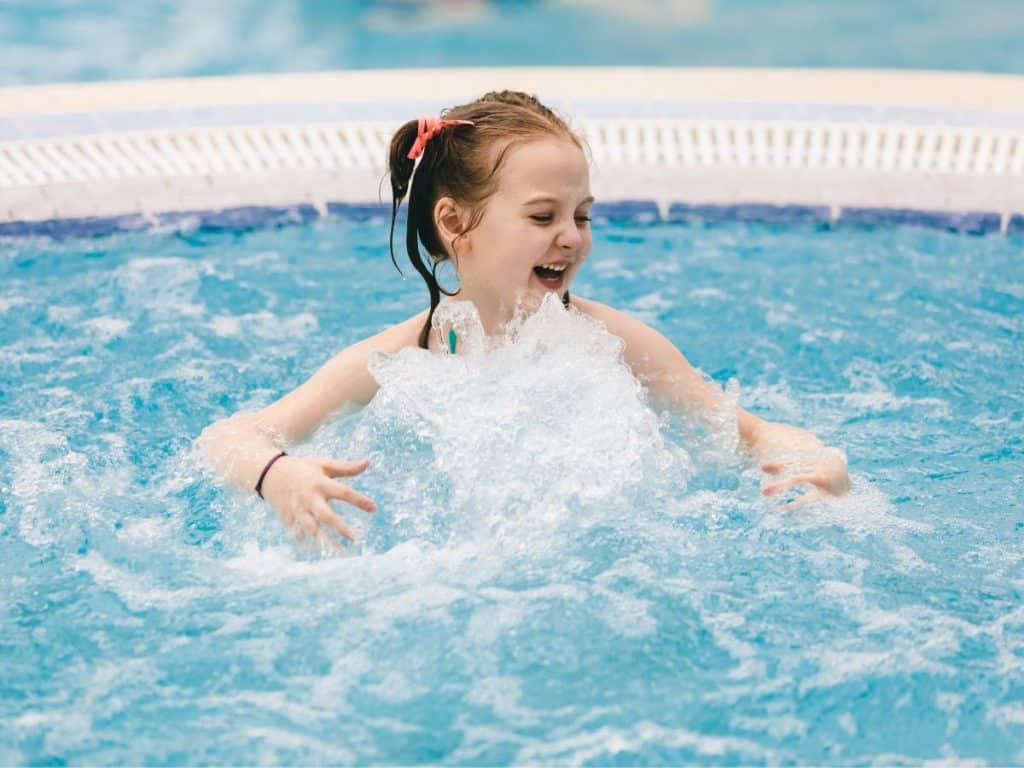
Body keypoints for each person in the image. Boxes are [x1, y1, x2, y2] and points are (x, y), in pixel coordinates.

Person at [198, 90, 850, 551]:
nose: (572, 237)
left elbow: (744, 431)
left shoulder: (612, 342)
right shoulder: (403, 357)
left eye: (582, 215)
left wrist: (815, 461)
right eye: (543, 217)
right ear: (455, 224)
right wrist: (276, 475)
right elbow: (230, 437)